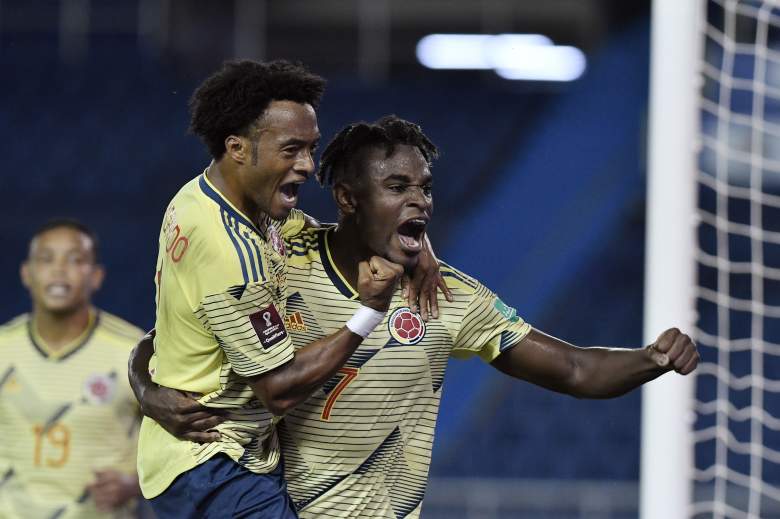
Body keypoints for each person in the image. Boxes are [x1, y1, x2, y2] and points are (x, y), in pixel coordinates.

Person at [131, 116, 699, 518]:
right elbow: (183, 330)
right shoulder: (286, 255)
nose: (420, 201)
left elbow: (572, 369)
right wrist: (145, 388)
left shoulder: (447, 296)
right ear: (349, 199)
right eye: (398, 186)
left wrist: (650, 359)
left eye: (425, 189)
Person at [141, 62, 445, 519]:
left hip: (205, 458)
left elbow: (173, 325)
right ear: (238, 148)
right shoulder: (230, 252)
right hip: (213, 463)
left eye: (311, 148)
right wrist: (368, 310)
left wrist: (412, 240)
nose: (306, 165)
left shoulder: (204, 198)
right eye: (291, 150)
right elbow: (278, 389)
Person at [0, 219, 143, 518]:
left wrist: (136, 484)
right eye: (46, 259)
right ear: (26, 273)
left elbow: (182, 448)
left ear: (97, 276)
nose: (59, 269)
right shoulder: (3, 348)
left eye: (75, 260)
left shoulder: (135, 353)